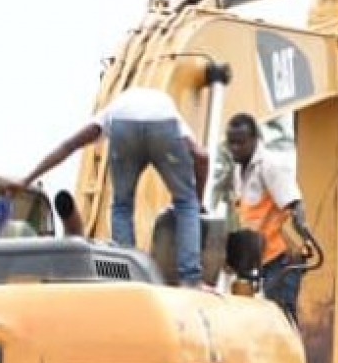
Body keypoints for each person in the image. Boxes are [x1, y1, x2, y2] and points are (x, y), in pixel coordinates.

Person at [14, 86, 209, 287]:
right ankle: (191, 279)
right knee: (186, 203)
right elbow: (202, 156)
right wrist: (197, 204)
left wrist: (27, 179)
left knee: (122, 206)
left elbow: (67, 146)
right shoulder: (169, 113)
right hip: (164, 124)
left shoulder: (111, 112)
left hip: (123, 126)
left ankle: (128, 275)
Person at [222, 112, 318, 320]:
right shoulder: (240, 172)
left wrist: (303, 233)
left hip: (283, 258)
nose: (234, 149)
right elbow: (245, 216)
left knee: (281, 315)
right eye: (231, 143)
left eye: (240, 143)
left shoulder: (270, 165)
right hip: (263, 257)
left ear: (254, 140)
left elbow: (294, 203)